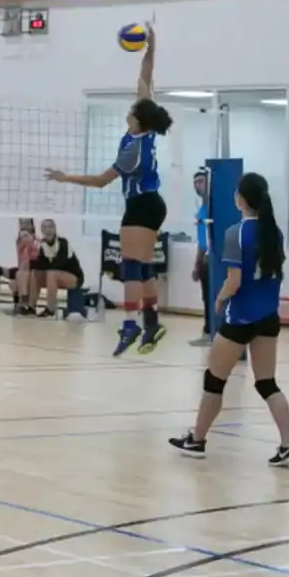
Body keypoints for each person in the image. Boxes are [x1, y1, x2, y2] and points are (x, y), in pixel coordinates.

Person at [47, 21, 172, 355]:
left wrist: (65, 177)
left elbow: (102, 181)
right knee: (142, 266)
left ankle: (131, 326)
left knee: (130, 265)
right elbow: (144, 78)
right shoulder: (141, 129)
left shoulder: (133, 150)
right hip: (151, 203)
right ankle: (152, 323)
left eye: (131, 110)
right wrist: (151, 48)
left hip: (143, 204)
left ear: (137, 119)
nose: (128, 109)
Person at [169, 172, 289, 466]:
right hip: (268, 317)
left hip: (241, 318)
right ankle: (288, 445)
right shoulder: (274, 232)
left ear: (241, 199)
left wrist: (219, 298)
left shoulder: (236, 233)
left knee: (214, 380)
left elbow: (235, 280)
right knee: (267, 383)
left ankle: (197, 439)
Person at [30, 219, 84, 318]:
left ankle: (50, 309)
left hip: (74, 277)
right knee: (36, 273)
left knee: (52, 273)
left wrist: (44, 264)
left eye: (50, 227)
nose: (48, 230)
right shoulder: (41, 245)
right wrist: (33, 254)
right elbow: (38, 266)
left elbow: (59, 264)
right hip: (55, 278)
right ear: (42, 230)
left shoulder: (63, 243)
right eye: (45, 228)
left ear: (55, 229)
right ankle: (31, 307)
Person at [189, 167, 213, 347]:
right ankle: (208, 331)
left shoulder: (215, 208)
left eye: (201, 181)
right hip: (204, 260)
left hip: (215, 260)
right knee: (206, 296)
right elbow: (201, 240)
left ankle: (214, 332)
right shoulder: (202, 210)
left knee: (214, 296)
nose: (198, 185)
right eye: (196, 182)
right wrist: (197, 263)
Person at [11, 218, 37, 314]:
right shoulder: (19, 240)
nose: (24, 226)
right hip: (22, 268)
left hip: (34, 268)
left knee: (21, 274)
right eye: (22, 223)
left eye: (26, 223)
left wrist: (29, 239)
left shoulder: (36, 240)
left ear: (32, 226)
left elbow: (34, 256)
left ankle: (23, 303)